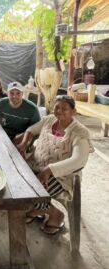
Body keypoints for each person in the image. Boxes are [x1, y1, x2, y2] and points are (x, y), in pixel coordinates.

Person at [16, 95, 93, 235]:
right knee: (15, 181)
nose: (59, 111)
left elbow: (79, 160)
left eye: (64, 109)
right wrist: (23, 143)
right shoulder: (49, 120)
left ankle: (55, 214)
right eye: (57, 107)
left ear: (73, 112)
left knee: (32, 191)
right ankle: (39, 208)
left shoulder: (80, 132)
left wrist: (49, 170)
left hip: (61, 177)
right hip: (36, 164)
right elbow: (31, 130)